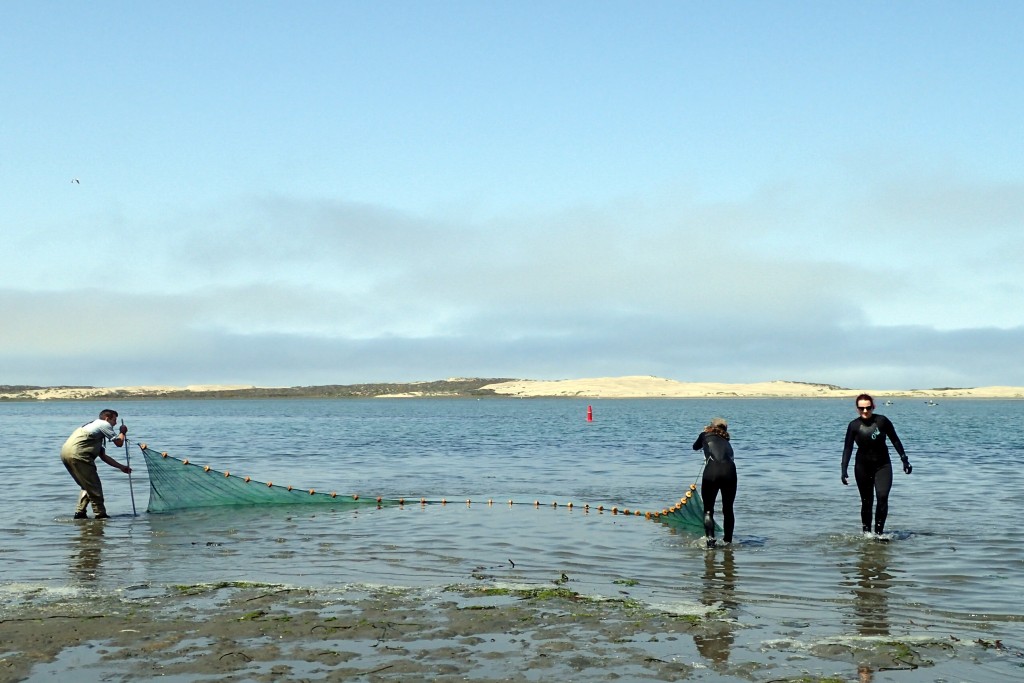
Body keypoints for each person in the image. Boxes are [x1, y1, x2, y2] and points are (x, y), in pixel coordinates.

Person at [841, 394, 911, 536]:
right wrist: (844, 469)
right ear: (857, 409)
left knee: (882, 496)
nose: (865, 411)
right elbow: (847, 448)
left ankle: (879, 534)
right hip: (862, 467)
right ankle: (867, 535)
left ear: (873, 407)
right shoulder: (853, 425)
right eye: (861, 408)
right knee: (866, 502)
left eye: (868, 408)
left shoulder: (882, 421)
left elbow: (895, 440)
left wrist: (904, 459)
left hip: (883, 465)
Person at [60, 409, 131, 519]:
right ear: (107, 418)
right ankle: (100, 515)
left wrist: (121, 467)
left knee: (86, 485)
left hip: (66, 453)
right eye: (114, 420)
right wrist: (122, 432)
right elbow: (119, 443)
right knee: (95, 486)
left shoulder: (94, 427)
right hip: (79, 454)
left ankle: (80, 514)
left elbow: (103, 456)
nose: (115, 423)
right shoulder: (103, 424)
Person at [692, 417, 737, 547]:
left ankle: (710, 542)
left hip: (711, 472)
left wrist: (704, 436)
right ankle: (728, 542)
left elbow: (695, 447)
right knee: (728, 509)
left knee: (708, 510)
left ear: (711, 426)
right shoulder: (727, 441)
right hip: (730, 472)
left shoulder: (705, 435)